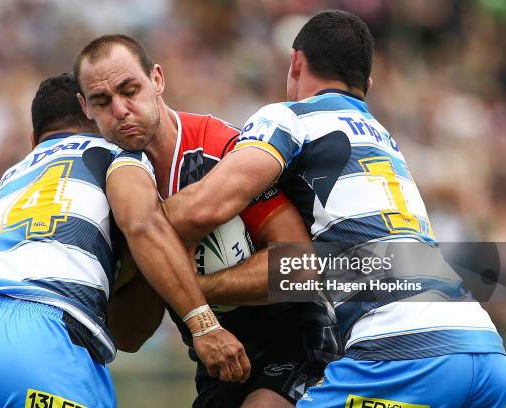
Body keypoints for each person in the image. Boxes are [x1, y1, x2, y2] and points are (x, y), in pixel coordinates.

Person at [162, 10, 506, 408]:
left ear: (295, 62)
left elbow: (207, 206)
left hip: (402, 353)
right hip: (489, 356)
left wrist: (141, 233)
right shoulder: (385, 138)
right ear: (366, 84)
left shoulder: (290, 118)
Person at [0, 73, 249, 408]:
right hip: (44, 332)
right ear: (95, 117)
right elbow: (143, 226)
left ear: (33, 138)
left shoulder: (12, 175)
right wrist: (203, 325)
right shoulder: (115, 153)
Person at [74, 34, 341, 407]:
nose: (120, 110)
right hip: (217, 362)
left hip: (298, 339)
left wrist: (189, 285)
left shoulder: (221, 149)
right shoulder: (110, 192)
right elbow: (129, 336)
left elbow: (299, 268)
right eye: (103, 101)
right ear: (85, 107)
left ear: (157, 79)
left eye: (129, 90)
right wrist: (152, 253)